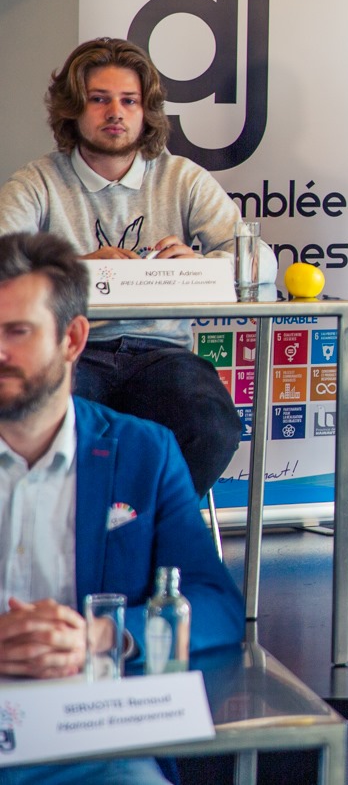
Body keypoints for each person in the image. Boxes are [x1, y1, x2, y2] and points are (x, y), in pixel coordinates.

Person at [0, 231, 245, 785]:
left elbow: (217, 606)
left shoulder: (144, 453)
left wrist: (102, 634)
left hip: (94, 737)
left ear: (72, 339)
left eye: (18, 331)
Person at [0, 38, 256, 498]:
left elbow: (257, 264)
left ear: (146, 111)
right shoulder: (37, 181)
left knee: (212, 427)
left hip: (163, 354)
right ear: (74, 109)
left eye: (129, 101)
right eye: (99, 99)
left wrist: (199, 265)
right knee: (38, 427)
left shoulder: (182, 177)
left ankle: (137, 531)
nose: (115, 112)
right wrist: (75, 268)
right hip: (69, 351)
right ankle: (84, 540)